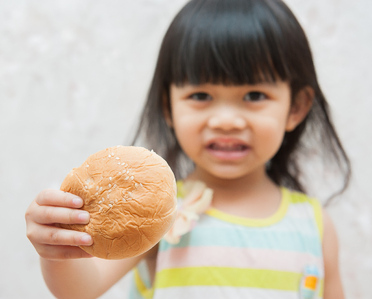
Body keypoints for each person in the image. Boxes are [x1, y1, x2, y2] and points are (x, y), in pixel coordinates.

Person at [25, 0, 351, 298]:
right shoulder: (154, 214)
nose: (225, 120)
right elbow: (81, 289)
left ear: (296, 107)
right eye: (200, 96)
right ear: (169, 107)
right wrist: (58, 250)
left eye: (254, 95)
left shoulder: (314, 225)